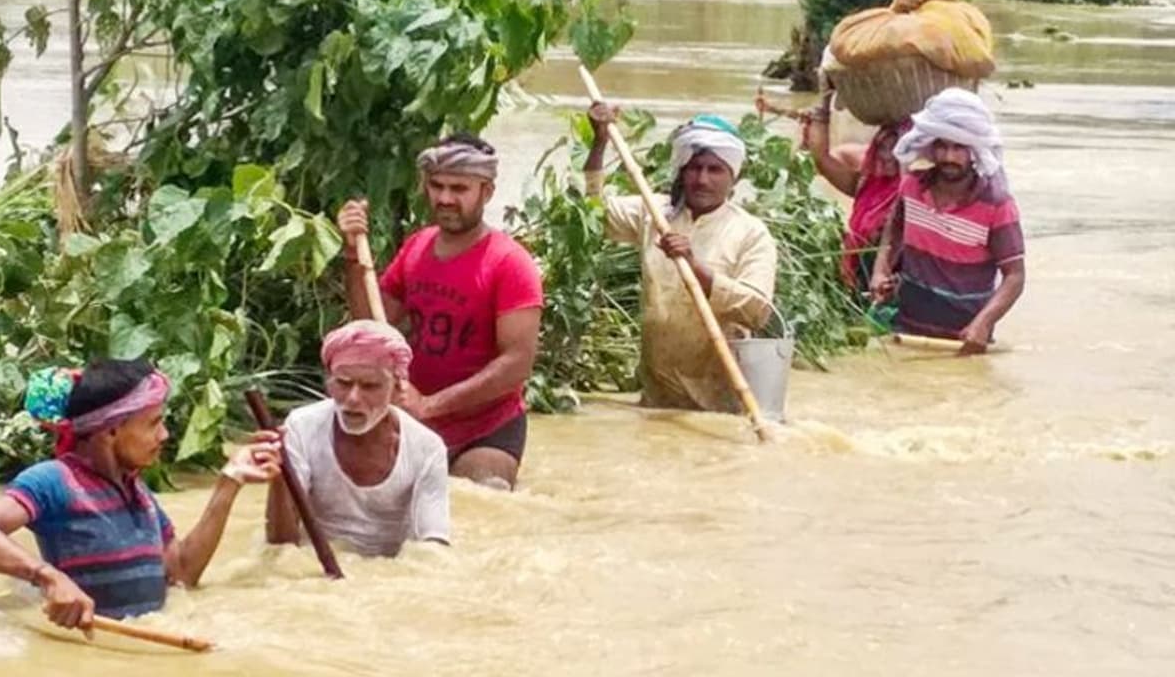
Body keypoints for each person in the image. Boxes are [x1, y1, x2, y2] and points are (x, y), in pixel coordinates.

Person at [0, 359, 282, 631]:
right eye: (153, 423)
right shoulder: (54, 480)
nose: (164, 435)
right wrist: (47, 576)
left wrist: (230, 481)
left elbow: (181, 574)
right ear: (110, 431)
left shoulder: (138, 491)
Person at [337, 133, 543, 490]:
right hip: (414, 422)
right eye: (437, 186)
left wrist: (431, 405)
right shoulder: (417, 247)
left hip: (486, 428)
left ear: (487, 192)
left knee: (481, 496)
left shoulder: (510, 263)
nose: (445, 199)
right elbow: (371, 325)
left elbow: (517, 365)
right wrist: (354, 254)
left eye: (459, 189)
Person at [584, 103, 778, 412]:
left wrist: (695, 267)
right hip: (656, 396)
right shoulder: (656, 213)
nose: (702, 180)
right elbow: (591, 214)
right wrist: (600, 142)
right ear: (681, 171)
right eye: (694, 168)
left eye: (715, 170)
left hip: (721, 400)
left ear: (734, 178)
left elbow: (758, 310)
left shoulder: (751, 233)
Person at [265, 320, 449, 556]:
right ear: (328, 383)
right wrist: (280, 478)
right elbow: (280, 546)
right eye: (343, 383)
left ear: (397, 390)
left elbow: (433, 546)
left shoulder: (428, 448)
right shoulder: (301, 427)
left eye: (370, 386)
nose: (353, 398)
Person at [870, 88, 1026, 355]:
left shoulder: (997, 205)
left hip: (963, 342)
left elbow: (1015, 276)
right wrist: (880, 271)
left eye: (959, 148)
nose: (949, 157)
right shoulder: (911, 186)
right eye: (942, 146)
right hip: (906, 331)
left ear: (974, 151)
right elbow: (893, 233)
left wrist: (983, 323)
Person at [794, 90, 914, 292]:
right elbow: (821, 159)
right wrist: (823, 104)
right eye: (881, 148)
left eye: (895, 150)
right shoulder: (866, 185)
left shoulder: (919, 194)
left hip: (894, 289)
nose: (886, 156)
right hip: (857, 284)